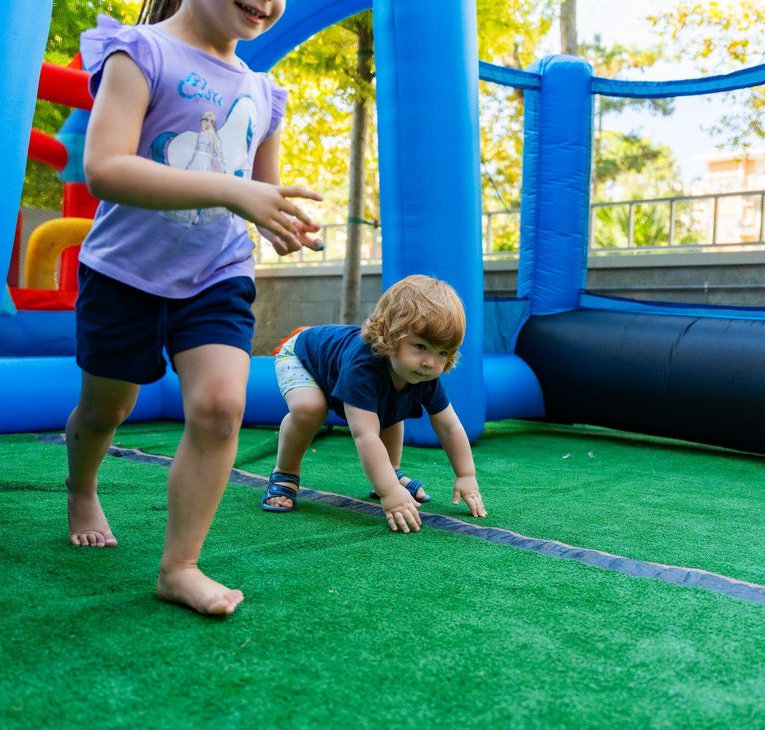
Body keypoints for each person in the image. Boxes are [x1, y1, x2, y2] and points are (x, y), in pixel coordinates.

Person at [65, 0, 322, 616]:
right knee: (108, 409)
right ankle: (81, 487)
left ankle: (179, 567)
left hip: (216, 275)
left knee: (220, 408)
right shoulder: (141, 52)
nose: (267, 3)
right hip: (125, 273)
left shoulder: (263, 93)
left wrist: (283, 223)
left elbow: (260, 189)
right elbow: (104, 169)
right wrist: (233, 190)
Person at [262, 275, 488, 532]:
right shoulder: (362, 367)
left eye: (442, 352)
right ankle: (285, 471)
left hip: (342, 363)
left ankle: (391, 470)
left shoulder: (425, 373)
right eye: (420, 346)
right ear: (390, 336)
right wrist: (390, 492)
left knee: (393, 407)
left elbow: (449, 427)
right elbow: (365, 435)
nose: (430, 363)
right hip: (302, 356)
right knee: (310, 409)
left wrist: (466, 475)